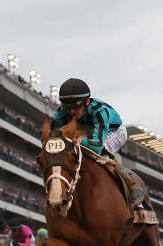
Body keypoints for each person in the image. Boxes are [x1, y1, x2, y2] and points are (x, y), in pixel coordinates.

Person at [51, 78, 144, 206]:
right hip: (87, 131)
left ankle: (130, 184)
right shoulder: (59, 115)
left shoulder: (100, 112)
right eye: (68, 107)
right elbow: (54, 142)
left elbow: (96, 147)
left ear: (87, 101)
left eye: (76, 106)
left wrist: (78, 141)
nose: (72, 111)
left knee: (101, 151)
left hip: (114, 131)